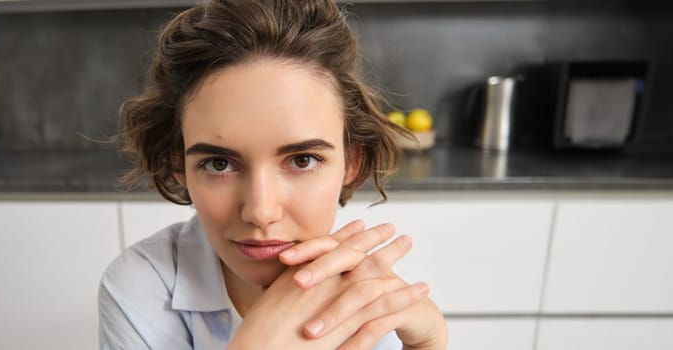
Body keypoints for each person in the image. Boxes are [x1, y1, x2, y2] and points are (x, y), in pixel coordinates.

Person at [100, 0, 448, 348]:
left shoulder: (371, 295)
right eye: (219, 164)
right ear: (180, 167)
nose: (261, 212)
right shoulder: (138, 286)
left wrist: (428, 346)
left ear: (351, 161)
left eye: (302, 160)